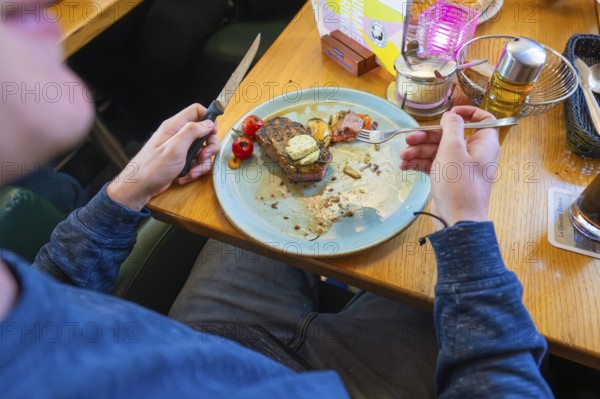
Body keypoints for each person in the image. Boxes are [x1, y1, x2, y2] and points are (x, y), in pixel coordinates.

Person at [0, 0, 554, 397]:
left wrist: (126, 191)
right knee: (497, 279)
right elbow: (501, 383)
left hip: (212, 333)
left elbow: (48, 294)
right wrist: (469, 225)